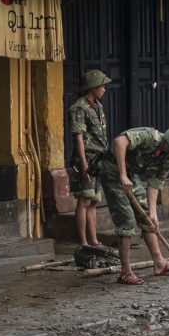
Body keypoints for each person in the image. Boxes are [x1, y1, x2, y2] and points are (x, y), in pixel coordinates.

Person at [97, 126, 169, 285]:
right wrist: (123, 175)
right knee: (126, 221)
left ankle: (159, 263)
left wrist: (153, 213)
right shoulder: (150, 137)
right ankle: (125, 272)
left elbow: (154, 183)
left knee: (148, 220)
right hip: (111, 170)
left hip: (131, 175)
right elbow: (119, 141)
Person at [68, 69, 111, 250]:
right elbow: (78, 138)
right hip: (87, 159)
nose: (104, 89)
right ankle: (83, 242)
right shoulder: (79, 108)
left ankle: (93, 240)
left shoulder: (97, 106)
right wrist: (84, 165)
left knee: (94, 201)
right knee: (84, 200)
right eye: (102, 86)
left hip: (99, 158)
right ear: (93, 87)